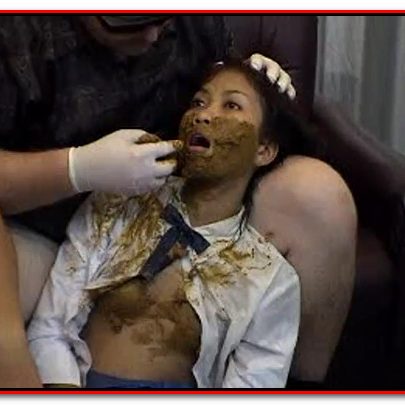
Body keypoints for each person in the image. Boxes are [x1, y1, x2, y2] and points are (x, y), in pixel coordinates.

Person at [0, 15, 356, 387]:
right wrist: (76, 168)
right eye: (132, 25)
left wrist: (247, 76)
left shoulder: (270, 278)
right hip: (38, 227)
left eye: (164, 20)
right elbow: (52, 328)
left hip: (166, 197)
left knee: (320, 194)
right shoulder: (20, 32)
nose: (155, 35)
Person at [28, 59, 310, 388]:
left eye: (231, 105)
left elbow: (254, 383)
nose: (203, 115)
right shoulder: (117, 203)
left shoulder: (270, 278)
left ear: (264, 150)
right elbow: (49, 327)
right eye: (198, 102)